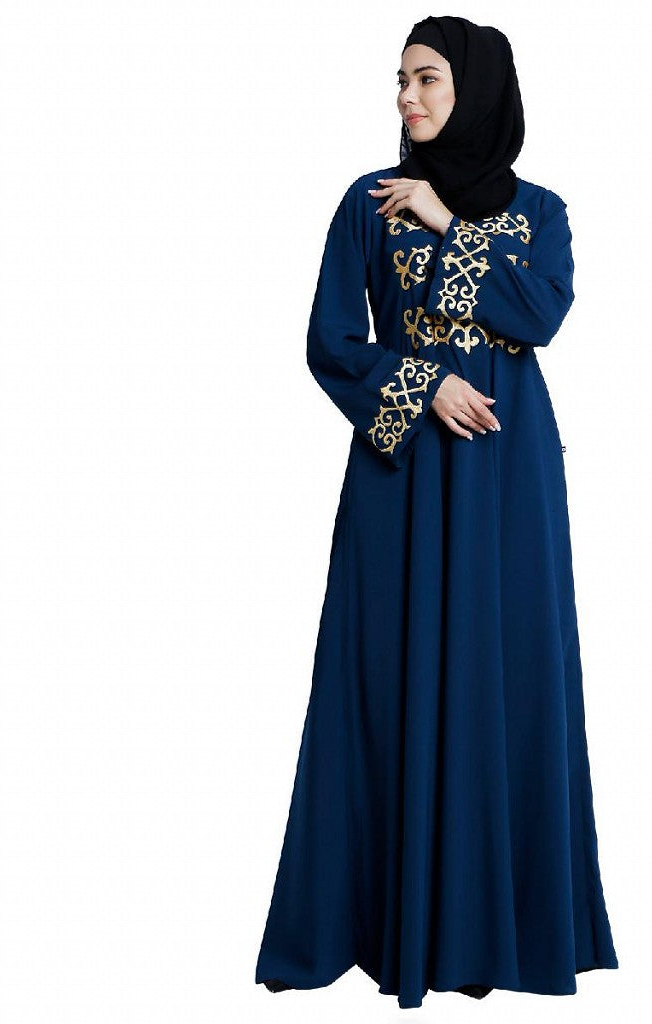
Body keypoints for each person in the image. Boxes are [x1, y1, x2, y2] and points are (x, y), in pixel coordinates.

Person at [254, 15, 620, 1009]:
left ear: (477, 92)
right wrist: (422, 387)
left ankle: (502, 932)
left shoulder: (540, 211)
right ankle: (379, 925)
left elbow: (538, 314)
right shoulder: (367, 203)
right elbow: (332, 341)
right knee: (384, 675)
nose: (406, 98)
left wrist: (449, 224)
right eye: (401, 80)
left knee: (511, 672)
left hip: (509, 474)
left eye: (427, 80)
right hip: (404, 469)